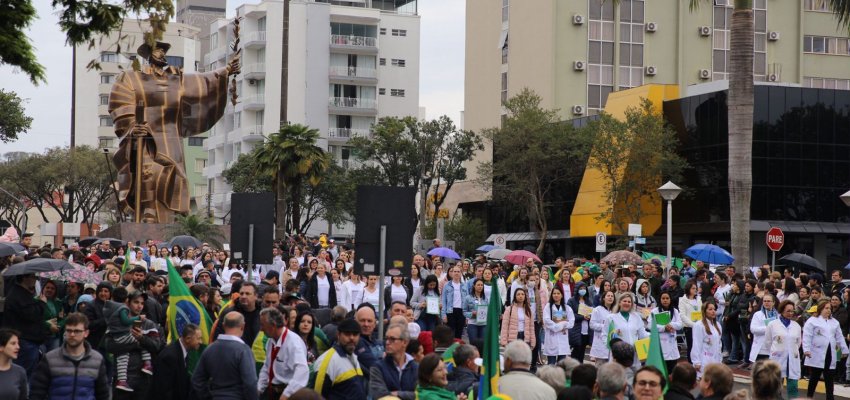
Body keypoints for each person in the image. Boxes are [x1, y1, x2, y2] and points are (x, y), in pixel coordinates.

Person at [30, 312, 111, 400]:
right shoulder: (50, 359)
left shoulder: (97, 360)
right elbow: (37, 393)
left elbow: (103, 395)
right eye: (69, 330)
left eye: (77, 331)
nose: (72, 334)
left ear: (86, 333)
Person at [192, 312, 258, 400]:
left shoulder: (209, 349)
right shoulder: (243, 350)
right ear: (243, 326)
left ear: (223, 325)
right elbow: (250, 383)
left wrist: (207, 396)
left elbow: (196, 380)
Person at [106, 289, 154, 391]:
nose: (139, 306)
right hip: (122, 375)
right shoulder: (118, 321)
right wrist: (137, 343)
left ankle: (147, 365)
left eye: (142, 303)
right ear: (128, 302)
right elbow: (109, 346)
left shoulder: (149, 323)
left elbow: (156, 346)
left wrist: (142, 339)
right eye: (136, 302)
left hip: (142, 379)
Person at [257, 307, 309, 400]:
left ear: (272, 326)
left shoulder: (293, 343)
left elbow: (302, 371)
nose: (261, 329)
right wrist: (258, 389)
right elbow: (267, 367)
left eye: (262, 325)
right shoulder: (271, 341)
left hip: (289, 394)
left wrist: (286, 394)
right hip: (273, 392)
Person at [803, 300, 849, 400]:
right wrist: (806, 349)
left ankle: (830, 398)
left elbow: (840, 337)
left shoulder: (834, 322)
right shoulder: (812, 321)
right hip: (816, 353)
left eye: (830, 308)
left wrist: (845, 350)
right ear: (820, 309)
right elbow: (807, 336)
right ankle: (809, 397)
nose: (829, 310)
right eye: (826, 308)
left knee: (829, 379)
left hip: (830, 353)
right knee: (814, 378)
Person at [312, 318, 367, 399]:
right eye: (347, 334)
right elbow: (318, 396)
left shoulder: (353, 357)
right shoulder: (328, 360)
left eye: (355, 334)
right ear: (338, 335)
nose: (352, 338)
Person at [4, 273, 46, 378]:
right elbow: (31, 315)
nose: (35, 280)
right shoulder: (18, 295)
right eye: (33, 277)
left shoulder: (22, 293)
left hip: (28, 340)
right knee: (24, 375)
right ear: (24, 278)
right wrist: (42, 304)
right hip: (25, 340)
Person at [150, 323, 202, 400]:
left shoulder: (183, 351)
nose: (200, 342)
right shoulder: (169, 357)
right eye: (198, 338)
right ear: (188, 339)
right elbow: (164, 390)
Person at [368, 324, 418, 400]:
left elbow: (421, 395)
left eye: (392, 339)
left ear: (405, 342)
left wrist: (397, 394)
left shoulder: (416, 368)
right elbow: (380, 395)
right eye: (386, 338)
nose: (387, 342)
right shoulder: (377, 367)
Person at [765, 299, 802, 398]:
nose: (790, 313)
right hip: (778, 359)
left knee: (793, 386)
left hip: (792, 360)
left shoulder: (796, 326)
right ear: (781, 311)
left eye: (792, 311)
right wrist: (778, 350)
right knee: (776, 387)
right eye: (788, 311)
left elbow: (798, 343)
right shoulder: (772, 325)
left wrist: (790, 350)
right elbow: (768, 342)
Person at [213, 282, 262, 348]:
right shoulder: (229, 313)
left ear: (256, 296)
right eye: (241, 293)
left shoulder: (262, 314)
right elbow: (218, 336)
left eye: (247, 294)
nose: (244, 296)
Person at [608, 292, 647, 368]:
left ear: (632, 304)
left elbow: (642, 334)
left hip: (634, 355)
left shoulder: (636, 317)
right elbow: (605, 336)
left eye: (629, 302)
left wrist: (654, 335)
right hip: (618, 355)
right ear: (619, 303)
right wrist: (614, 348)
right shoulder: (611, 318)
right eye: (624, 301)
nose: (627, 303)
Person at [652, 291, 683, 373]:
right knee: (661, 372)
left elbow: (680, 324)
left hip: (672, 344)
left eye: (667, 298)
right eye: (663, 298)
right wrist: (664, 328)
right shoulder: (655, 311)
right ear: (660, 299)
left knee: (672, 371)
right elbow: (650, 325)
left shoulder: (675, 311)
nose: (665, 300)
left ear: (670, 299)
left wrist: (670, 325)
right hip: (661, 343)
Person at [543, 285, 574, 365]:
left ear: (562, 295)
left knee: (561, 365)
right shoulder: (548, 307)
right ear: (551, 295)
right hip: (551, 337)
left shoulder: (567, 308)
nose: (556, 295)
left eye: (558, 293)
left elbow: (571, 322)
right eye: (554, 293)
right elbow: (547, 321)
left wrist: (563, 324)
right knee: (551, 364)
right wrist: (560, 326)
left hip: (563, 338)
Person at [691, 302, 722, 378]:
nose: (713, 311)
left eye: (714, 309)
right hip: (704, 360)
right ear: (704, 311)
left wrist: (720, 359)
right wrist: (696, 362)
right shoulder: (699, 325)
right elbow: (696, 344)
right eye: (710, 309)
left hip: (715, 360)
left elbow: (719, 343)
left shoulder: (717, 325)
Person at [748, 293, 777, 364]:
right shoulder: (757, 314)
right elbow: (753, 329)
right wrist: (769, 328)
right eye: (765, 301)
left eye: (769, 301)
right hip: (761, 349)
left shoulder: (778, 315)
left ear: (773, 303)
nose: (766, 303)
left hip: (774, 349)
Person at [567, 281, 592, 362]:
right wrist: (582, 317)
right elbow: (570, 314)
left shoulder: (588, 301)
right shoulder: (571, 301)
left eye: (584, 288)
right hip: (576, 330)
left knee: (582, 353)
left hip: (586, 331)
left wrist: (590, 315)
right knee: (575, 353)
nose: (583, 290)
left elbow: (592, 312)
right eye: (581, 288)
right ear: (577, 289)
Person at [441, 265, 468, 339]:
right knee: (451, 333)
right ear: (452, 273)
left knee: (459, 334)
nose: (456, 273)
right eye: (454, 271)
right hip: (450, 311)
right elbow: (443, 300)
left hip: (461, 311)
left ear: (461, 273)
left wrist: (467, 316)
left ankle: (457, 349)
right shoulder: (447, 285)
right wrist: (443, 314)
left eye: (458, 272)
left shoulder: (464, 286)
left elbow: (467, 301)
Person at [0, 329, 28, 400]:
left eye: (18, 343)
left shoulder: (19, 372)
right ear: (1, 347)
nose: (18, 347)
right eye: (13, 343)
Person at [590, 290, 615, 365]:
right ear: (603, 298)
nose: (610, 298)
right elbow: (592, 324)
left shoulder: (615, 311)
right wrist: (605, 326)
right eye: (608, 296)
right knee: (600, 368)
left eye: (612, 296)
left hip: (612, 343)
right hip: (600, 342)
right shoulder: (597, 310)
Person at [463, 278, 488, 343]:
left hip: (483, 324)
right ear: (474, 286)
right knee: (473, 344)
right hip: (472, 324)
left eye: (481, 285)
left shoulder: (485, 298)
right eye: (478, 285)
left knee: (483, 345)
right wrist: (472, 314)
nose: (480, 286)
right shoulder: (468, 298)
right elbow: (464, 311)